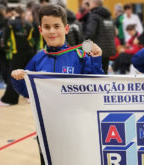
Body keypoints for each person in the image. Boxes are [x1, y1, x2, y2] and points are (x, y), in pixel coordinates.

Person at [10, 4, 104, 164]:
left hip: (76, 127)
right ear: (41, 30)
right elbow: (27, 92)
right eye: (47, 27)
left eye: (56, 26)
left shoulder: (79, 55)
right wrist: (17, 79)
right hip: (46, 128)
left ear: (66, 28)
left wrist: (95, 60)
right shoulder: (37, 60)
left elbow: (95, 87)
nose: (52, 31)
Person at [0, 6, 35, 106]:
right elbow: (32, 40)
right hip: (29, 53)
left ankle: (9, 100)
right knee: (27, 75)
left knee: (13, 76)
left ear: (14, 13)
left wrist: (7, 50)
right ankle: (29, 96)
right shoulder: (29, 24)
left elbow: (6, 39)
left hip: (17, 53)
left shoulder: (10, 24)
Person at [84, 0, 116, 74]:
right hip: (109, 49)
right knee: (104, 73)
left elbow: (90, 33)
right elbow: (114, 32)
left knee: (96, 74)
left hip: (97, 50)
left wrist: (84, 44)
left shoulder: (94, 15)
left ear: (94, 4)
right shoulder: (109, 16)